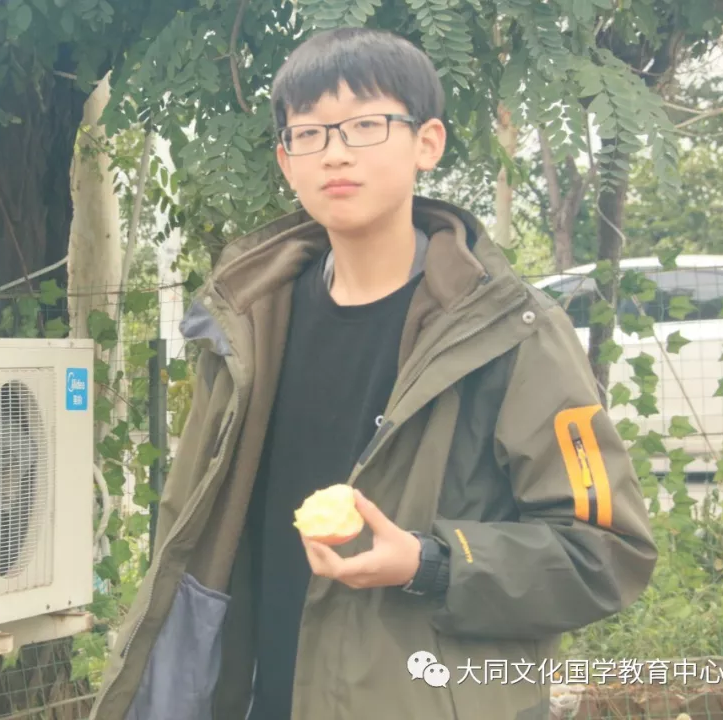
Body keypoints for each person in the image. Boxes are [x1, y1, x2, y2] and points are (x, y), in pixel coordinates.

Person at [88, 28, 657, 720]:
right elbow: (191, 532)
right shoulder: (245, 325)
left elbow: (607, 552)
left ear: (427, 143)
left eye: (365, 125)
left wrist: (431, 562)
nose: (335, 153)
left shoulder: (512, 334)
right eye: (309, 134)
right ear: (285, 161)